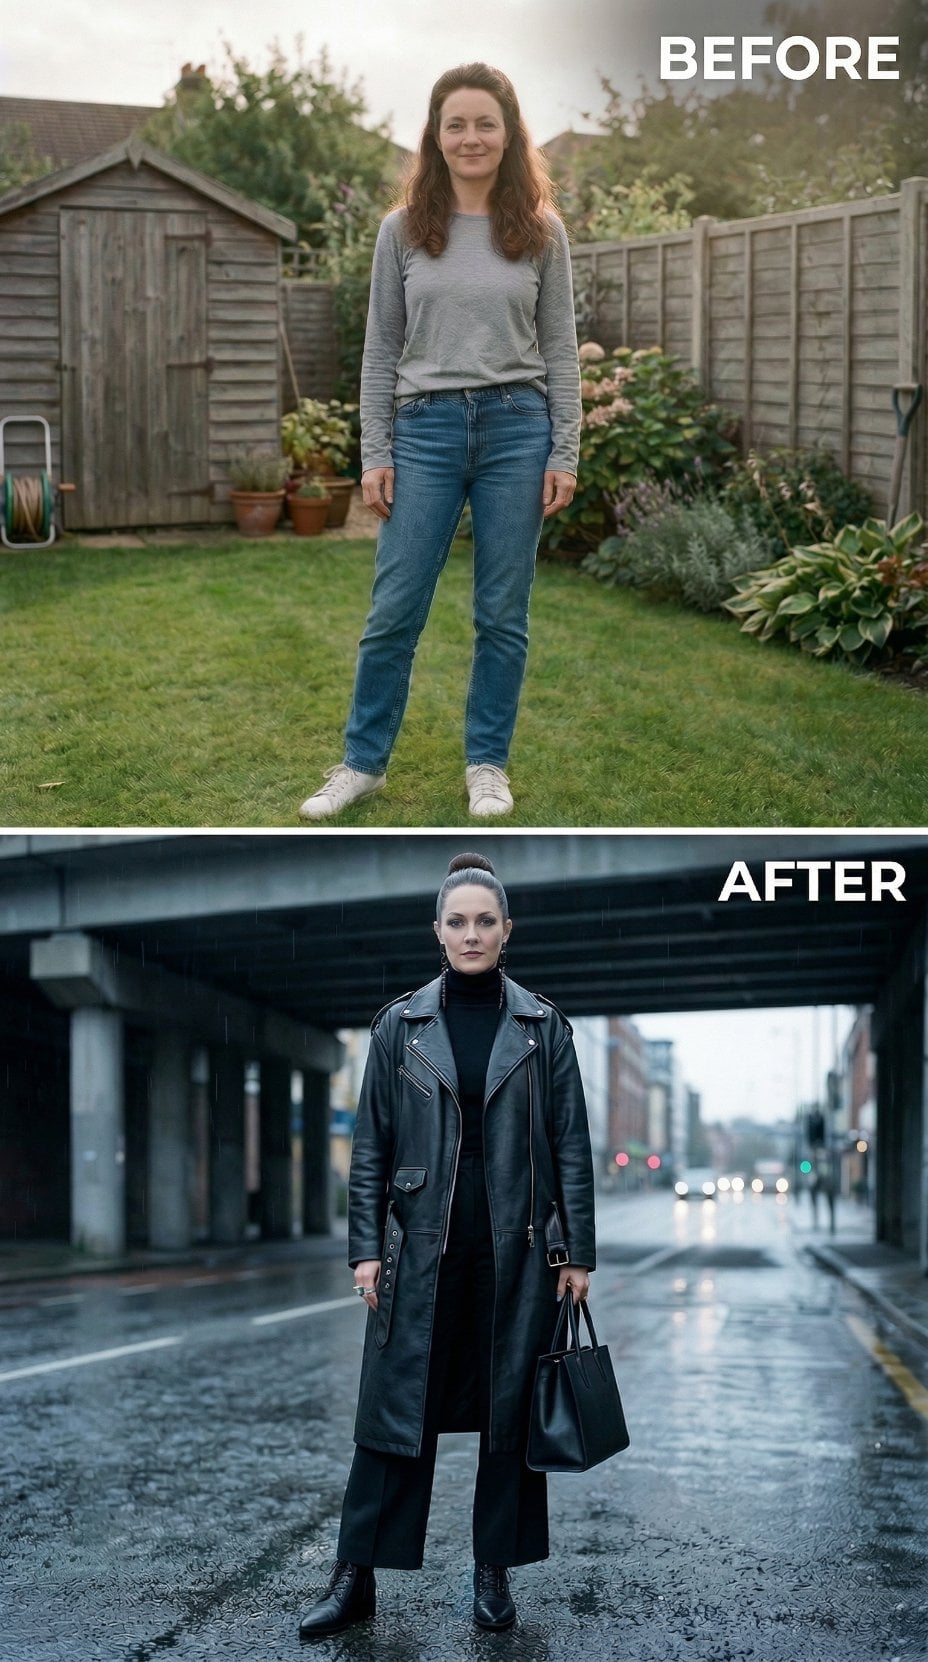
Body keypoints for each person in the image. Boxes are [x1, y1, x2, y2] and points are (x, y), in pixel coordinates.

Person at [298, 852, 596, 1641]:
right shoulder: (401, 1025)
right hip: (417, 1252)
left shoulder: (542, 1026)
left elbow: (571, 1146)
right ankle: (354, 1577)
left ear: (507, 931)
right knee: (394, 1416)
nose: (471, 934)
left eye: (485, 921)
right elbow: (371, 1146)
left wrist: (579, 1255)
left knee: (508, 1419)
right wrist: (366, 1248)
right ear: (437, 931)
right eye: (457, 921)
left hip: (517, 1254)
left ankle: (493, 1575)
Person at [298, 62, 581, 824]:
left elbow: (559, 351)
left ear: (509, 133)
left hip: (517, 430)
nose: (470, 137)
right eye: (455, 123)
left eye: (485, 122)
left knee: (502, 612)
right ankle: (362, 764)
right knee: (394, 609)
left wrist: (564, 452)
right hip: (422, 432)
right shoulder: (401, 231)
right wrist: (376, 450)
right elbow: (380, 351)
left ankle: (487, 764)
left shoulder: (541, 233)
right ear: (435, 133)